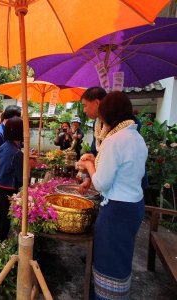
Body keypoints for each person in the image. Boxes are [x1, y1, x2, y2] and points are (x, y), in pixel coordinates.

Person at [77, 92, 147, 299]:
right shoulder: (136, 137)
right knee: (121, 259)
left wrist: (89, 164)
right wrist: (96, 162)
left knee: (109, 261)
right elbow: (122, 172)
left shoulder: (114, 140)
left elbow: (101, 183)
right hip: (133, 206)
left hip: (116, 209)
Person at [0, 117, 24, 242]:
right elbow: (22, 177)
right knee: (3, 222)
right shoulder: (16, 152)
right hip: (7, 190)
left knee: (0, 219)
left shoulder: (5, 146)